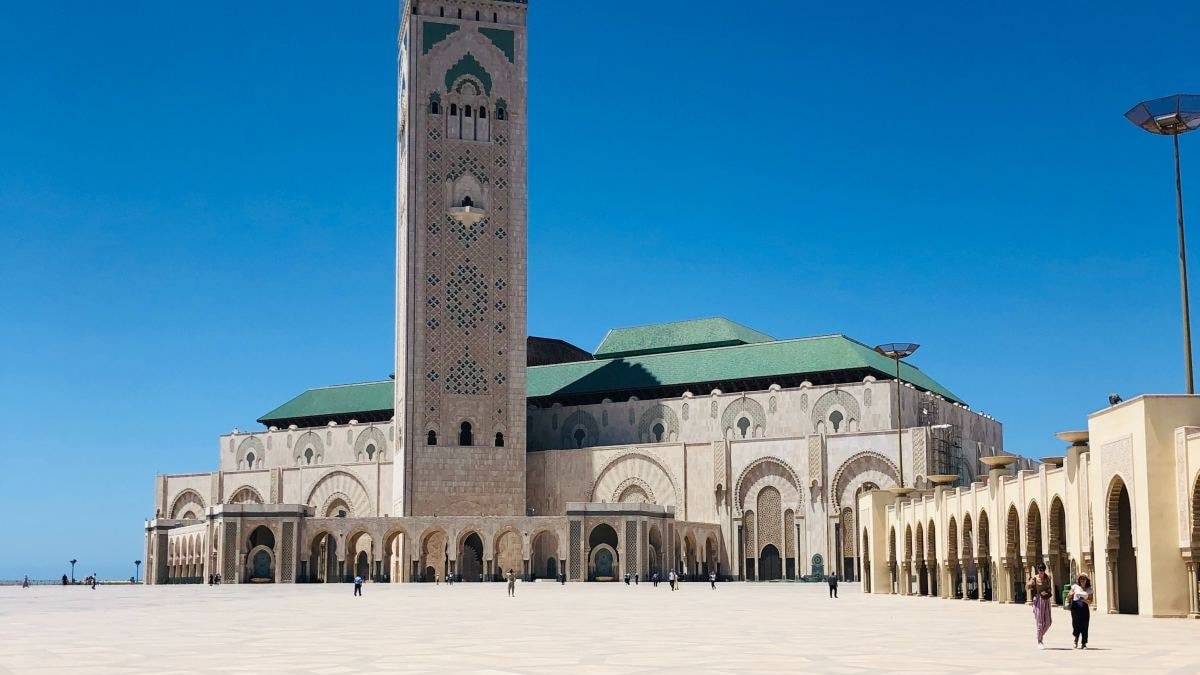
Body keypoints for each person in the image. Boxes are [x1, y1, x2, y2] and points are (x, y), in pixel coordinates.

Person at [1027, 562, 1054, 649]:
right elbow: (1027, 587)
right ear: (1038, 570)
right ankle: (1040, 641)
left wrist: (1047, 591)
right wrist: (1029, 584)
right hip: (1038, 600)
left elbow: (1050, 588)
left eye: (1043, 569)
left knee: (1048, 622)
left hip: (1046, 599)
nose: (1042, 571)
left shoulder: (1047, 578)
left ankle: (1040, 636)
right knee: (1040, 622)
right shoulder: (1034, 578)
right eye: (1040, 569)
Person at [1069, 574, 1093, 649]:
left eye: (1084, 579)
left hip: (1084, 607)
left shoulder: (1089, 589)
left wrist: (1083, 600)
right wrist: (1071, 594)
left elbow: (1090, 601)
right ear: (1079, 580)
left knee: (1085, 625)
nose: (1082, 580)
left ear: (1087, 580)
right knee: (1076, 624)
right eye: (1081, 579)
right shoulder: (1075, 587)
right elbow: (1069, 596)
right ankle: (1076, 639)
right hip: (1075, 607)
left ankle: (1084, 643)